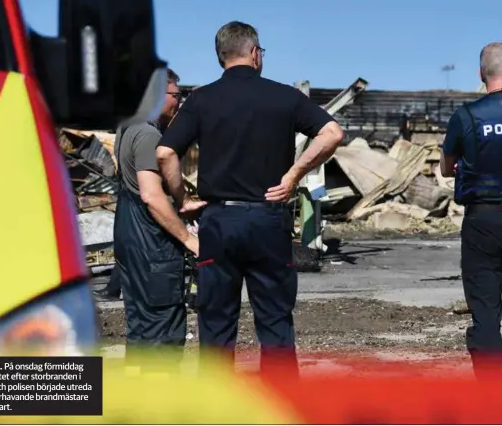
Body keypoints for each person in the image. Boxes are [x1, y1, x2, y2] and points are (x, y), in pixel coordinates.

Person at [156, 21, 344, 373]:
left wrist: (181, 199)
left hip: (218, 222)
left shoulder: (200, 99)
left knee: (215, 326)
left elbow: (166, 153)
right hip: (268, 219)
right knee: (275, 324)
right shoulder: (285, 97)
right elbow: (332, 133)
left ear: (220, 58)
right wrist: (293, 175)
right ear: (255, 54)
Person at [113, 68, 203, 370]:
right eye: (175, 95)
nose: (178, 102)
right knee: (162, 328)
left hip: (129, 235)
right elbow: (151, 196)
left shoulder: (127, 127)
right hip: (152, 246)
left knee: (139, 324)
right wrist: (189, 239)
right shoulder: (149, 135)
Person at [440, 42, 502, 381]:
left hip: (482, 222)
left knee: (485, 316)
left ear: (480, 75)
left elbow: (445, 168)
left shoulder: (465, 117)